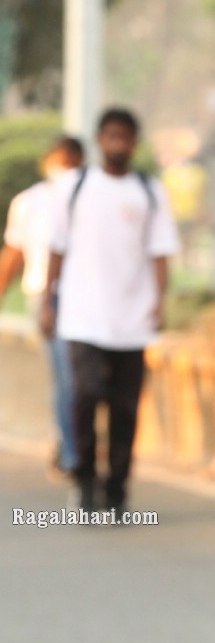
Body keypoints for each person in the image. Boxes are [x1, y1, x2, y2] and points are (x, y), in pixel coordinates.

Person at [42, 108, 179, 520]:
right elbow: (56, 247)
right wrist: (49, 301)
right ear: (100, 140)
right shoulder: (75, 186)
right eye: (111, 136)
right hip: (81, 316)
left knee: (125, 408)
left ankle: (117, 489)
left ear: (134, 143)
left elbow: (160, 252)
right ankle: (84, 479)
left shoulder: (149, 192)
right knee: (83, 395)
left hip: (131, 321)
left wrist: (158, 301)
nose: (118, 144)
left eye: (125, 137)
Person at [0, 135, 86, 476]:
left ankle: (76, 444)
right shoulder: (29, 202)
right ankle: (72, 451)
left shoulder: (90, 198)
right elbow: (14, 253)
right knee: (66, 375)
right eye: (59, 162)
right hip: (44, 296)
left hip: (87, 297)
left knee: (82, 377)